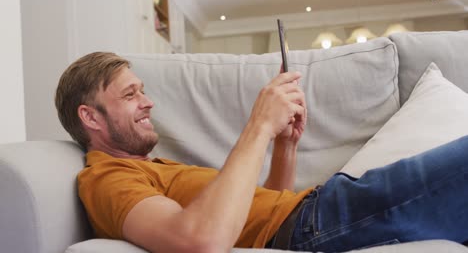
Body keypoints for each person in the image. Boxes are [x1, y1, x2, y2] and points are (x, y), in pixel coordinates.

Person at [55, 52, 468, 253]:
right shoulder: (106, 178)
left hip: (311, 214)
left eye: (143, 90)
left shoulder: (152, 168)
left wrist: (284, 145)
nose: (148, 102)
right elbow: (199, 240)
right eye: (131, 94)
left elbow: (259, 219)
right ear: (90, 117)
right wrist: (258, 126)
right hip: (321, 218)